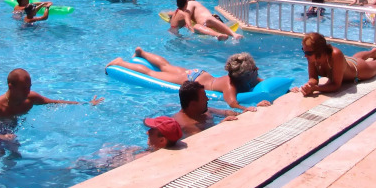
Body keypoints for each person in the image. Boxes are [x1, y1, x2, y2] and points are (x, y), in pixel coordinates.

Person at [106, 48, 270, 111]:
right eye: (254, 69)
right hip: (193, 79)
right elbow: (232, 103)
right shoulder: (230, 85)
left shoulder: (248, 77)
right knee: (152, 73)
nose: (257, 70)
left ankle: (142, 53)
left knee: (166, 66)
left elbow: (262, 82)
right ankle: (120, 62)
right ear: (245, 75)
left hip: (200, 74)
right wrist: (247, 108)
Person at [0, 68, 103, 140]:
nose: (28, 92)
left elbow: (55, 102)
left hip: (11, 131)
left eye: (29, 87)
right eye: (24, 88)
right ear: (11, 87)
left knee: (15, 156)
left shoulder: (30, 98)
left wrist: (86, 103)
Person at [292, 32, 376, 96]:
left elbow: (336, 85)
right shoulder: (312, 57)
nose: (305, 55)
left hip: (358, 70)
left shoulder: (335, 55)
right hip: (346, 62)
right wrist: (309, 85)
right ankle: (371, 53)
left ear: (319, 51)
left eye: (308, 53)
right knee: (356, 58)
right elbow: (313, 78)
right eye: (304, 51)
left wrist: (316, 88)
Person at [173, 81, 239, 137]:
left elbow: (226, 112)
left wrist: (239, 113)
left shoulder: (203, 110)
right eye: (204, 98)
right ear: (193, 104)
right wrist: (221, 125)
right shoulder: (186, 125)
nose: (207, 99)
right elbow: (205, 140)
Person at [176, 0, 242, 40]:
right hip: (208, 20)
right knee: (198, 25)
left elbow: (187, 16)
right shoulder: (196, 5)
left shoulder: (191, 3)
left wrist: (191, 30)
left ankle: (219, 35)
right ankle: (233, 34)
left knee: (198, 26)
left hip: (206, 21)